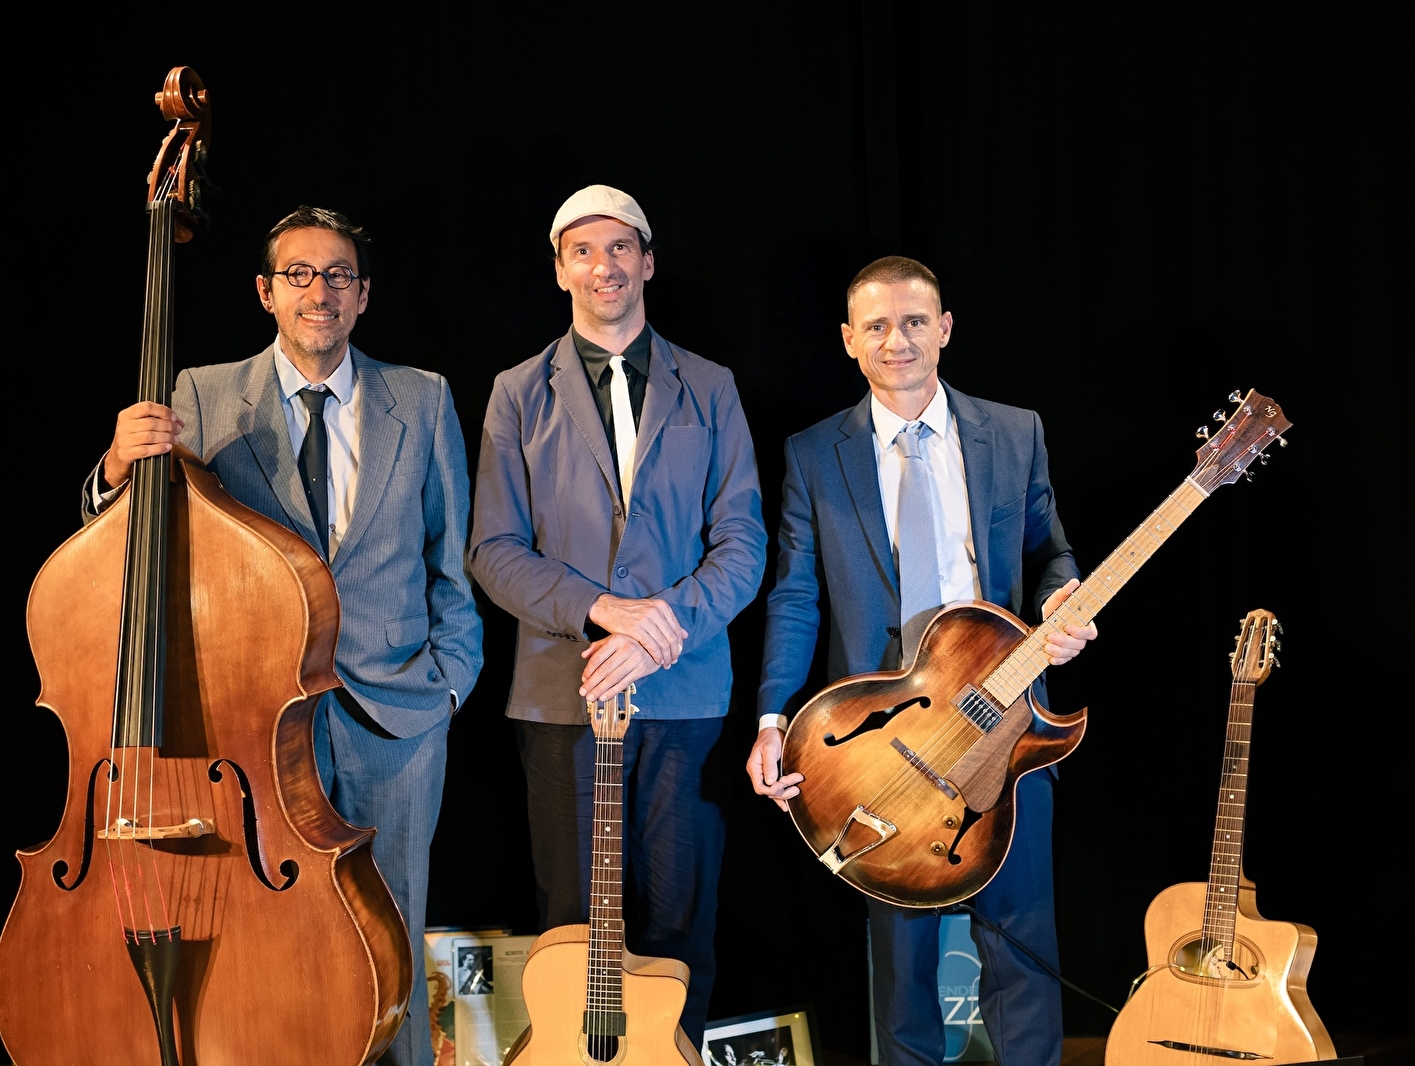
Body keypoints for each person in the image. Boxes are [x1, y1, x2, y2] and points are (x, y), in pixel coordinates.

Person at [86, 205, 483, 1066]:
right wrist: (113, 470)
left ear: (363, 294)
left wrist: (449, 687)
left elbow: (451, 561)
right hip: (257, 725)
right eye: (299, 274)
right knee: (271, 938)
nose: (319, 292)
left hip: (398, 722)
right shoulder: (202, 392)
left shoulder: (423, 397)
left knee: (392, 938)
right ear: (266, 292)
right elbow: (131, 540)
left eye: (338, 275)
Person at [745, 256, 1097, 1066]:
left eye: (911, 322)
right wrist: (772, 720)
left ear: (943, 329)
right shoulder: (813, 453)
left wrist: (1062, 597)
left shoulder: (1014, 432)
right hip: (880, 743)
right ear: (848, 340)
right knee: (900, 968)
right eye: (875, 326)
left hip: (1005, 722)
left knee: (1021, 946)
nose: (895, 340)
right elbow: (795, 595)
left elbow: (1051, 554)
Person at [469, 185, 766, 1044]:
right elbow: (492, 548)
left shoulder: (709, 386)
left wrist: (656, 634)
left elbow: (742, 543)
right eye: (583, 251)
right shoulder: (516, 392)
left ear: (647, 262)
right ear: (560, 269)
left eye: (620, 248)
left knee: (679, 922)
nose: (604, 266)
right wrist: (603, 611)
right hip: (560, 693)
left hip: (684, 695)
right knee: (570, 927)